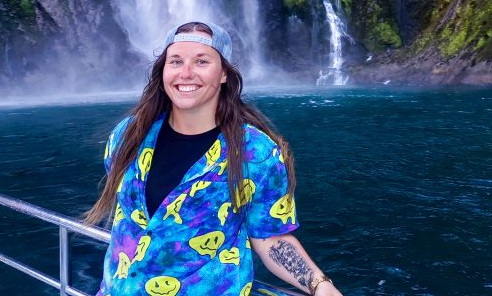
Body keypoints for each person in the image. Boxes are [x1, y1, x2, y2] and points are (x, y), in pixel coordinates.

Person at [84, 21, 342, 296]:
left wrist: (320, 284)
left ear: (223, 74)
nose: (185, 73)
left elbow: (270, 236)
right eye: (176, 61)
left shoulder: (256, 154)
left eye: (201, 61)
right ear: (163, 71)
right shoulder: (127, 136)